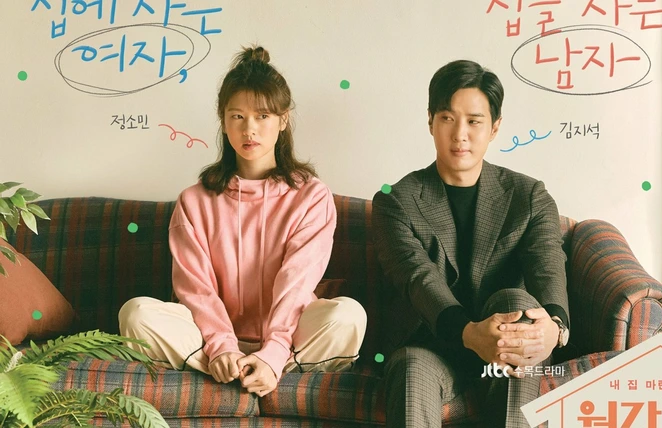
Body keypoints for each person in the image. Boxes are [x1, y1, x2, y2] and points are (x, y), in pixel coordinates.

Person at [119, 45, 367, 397]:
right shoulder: (194, 201)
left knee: (349, 316)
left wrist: (273, 352)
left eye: (262, 116)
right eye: (237, 116)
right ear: (223, 121)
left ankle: (263, 369)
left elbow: (296, 284)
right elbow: (195, 289)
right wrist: (222, 346)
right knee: (135, 314)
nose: (250, 129)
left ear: (283, 120)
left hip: (290, 337)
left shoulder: (311, 196)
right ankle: (241, 369)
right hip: (208, 340)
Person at [372, 59, 570, 427]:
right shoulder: (395, 201)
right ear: (430, 121)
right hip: (432, 348)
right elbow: (417, 278)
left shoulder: (528, 196)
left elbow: (548, 263)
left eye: (474, 121)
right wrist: (469, 333)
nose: (459, 134)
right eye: (448, 118)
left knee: (518, 307)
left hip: (507, 351)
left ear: (494, 128)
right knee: (412, 367)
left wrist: (556, 326)